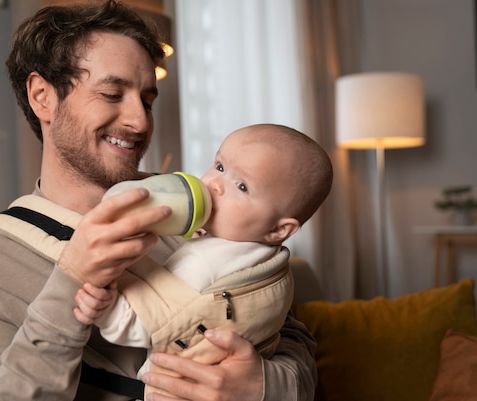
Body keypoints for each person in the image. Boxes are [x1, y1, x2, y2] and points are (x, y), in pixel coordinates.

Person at [0, 0, 319, 401]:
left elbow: (288, 335)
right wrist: (72, 281)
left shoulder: (202, 211)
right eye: (113, 94)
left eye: (147, 100)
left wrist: (265, 386)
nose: (139, 122)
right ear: (42, 96)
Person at [74, 124, 333, 393]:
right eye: (219, 166)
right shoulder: (271, 262)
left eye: (242, 186)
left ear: (279, 230)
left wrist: (107, 310)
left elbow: (151, 324)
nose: (214, 184)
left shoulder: (203, 262)